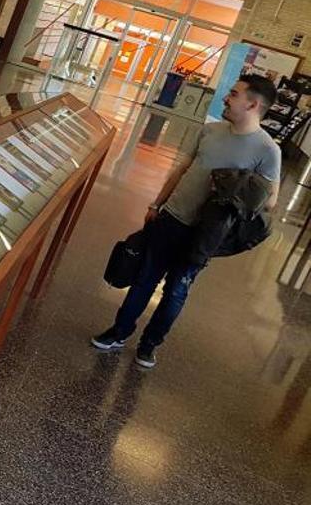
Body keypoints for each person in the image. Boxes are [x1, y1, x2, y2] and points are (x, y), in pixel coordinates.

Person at [91, 75, 281, 368]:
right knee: (144, 279)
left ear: (253, 104)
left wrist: (236, 184)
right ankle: (119, 332)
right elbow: (182, 169)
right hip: (172, 218)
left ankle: (149, 345)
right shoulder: (210, 131)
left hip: (206, 235)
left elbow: (269, 201)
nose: (226, 98)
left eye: (233, 94)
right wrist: (158, 203)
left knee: (177, 290)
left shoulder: (268, 150)